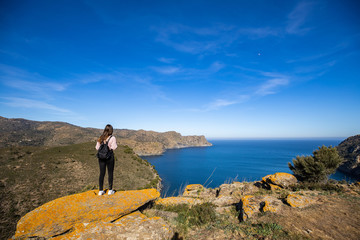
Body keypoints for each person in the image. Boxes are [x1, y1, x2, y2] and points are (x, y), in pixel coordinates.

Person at [95, 124, 117, 195]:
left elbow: (97, 148)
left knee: (102, 173)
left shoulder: (101, 137)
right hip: (109, 157)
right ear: (111, 130)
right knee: (110, 173)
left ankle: (100, 190)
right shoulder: (112, 138)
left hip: (101, 158)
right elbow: (114, 147)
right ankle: (110, 190)